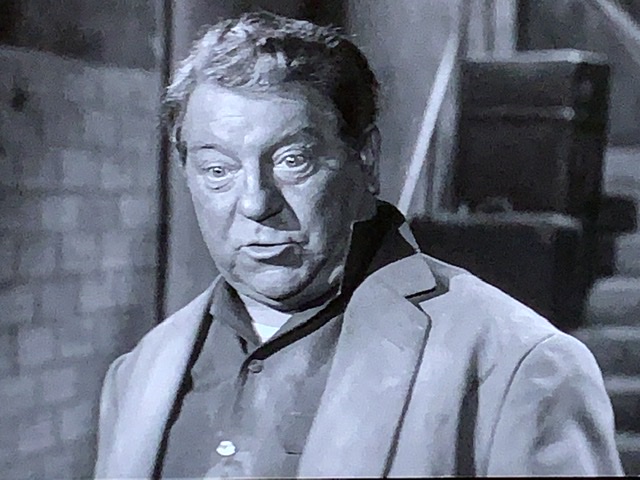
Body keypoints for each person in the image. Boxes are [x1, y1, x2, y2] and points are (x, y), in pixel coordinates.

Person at [94, 11, 624, 478]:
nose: (255, 203)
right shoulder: (138, 374)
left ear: (365, 159)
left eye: (292, 160)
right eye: (218, 169)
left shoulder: (517, 364)